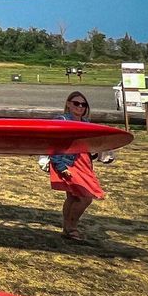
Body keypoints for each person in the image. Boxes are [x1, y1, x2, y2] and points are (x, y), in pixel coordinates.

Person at [48, 91, 106, 241]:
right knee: (86, 197)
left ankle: (67, 229)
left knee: (74, 198)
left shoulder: (87, 123)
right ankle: (72, 227)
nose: (80, 107)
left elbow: (90, 145)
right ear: (68, 104)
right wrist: (61, 166)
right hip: (68, 163)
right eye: (76, 103)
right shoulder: (61, 120)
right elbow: (54, 145)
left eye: (83, 104)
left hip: (84, 164)